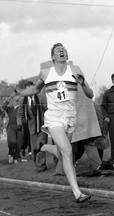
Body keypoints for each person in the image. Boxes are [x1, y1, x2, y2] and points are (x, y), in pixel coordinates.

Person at [18, 43, 92, 203]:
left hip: (71, 117)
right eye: (59, 51)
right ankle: (77, 193)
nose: (63, 52)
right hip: (54, 117)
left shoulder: (76, 70)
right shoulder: (45, 73)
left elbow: (90, 94)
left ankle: (44, 148)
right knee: (67, 152)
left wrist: (82, 82)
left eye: (64, 50)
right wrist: (21, 94)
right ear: (53, 56)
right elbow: (36, 90)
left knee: (63, 153)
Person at [17, 81, 48, 172]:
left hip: (42, 126)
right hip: (32, 128)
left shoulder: (41, 97)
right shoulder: (22, 100)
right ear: (26, 90)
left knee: (40, 145)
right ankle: (39, 164)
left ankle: (41, 165)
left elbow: (47, 109)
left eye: (32, 88)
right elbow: (20, 114)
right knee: (34, 148)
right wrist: (19, 123)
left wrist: (47, 121)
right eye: (28, 89)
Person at [2, 92, 23, 164]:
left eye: (17, 100)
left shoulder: (21, 108)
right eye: (14, 100)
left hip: (20, 127)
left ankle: (16, 157)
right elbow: (3, 106)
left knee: (18, 143)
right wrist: (9, 98)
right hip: (11, 127)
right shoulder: (9, 108)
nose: (15, 102)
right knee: (12, 142)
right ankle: (11, 155)